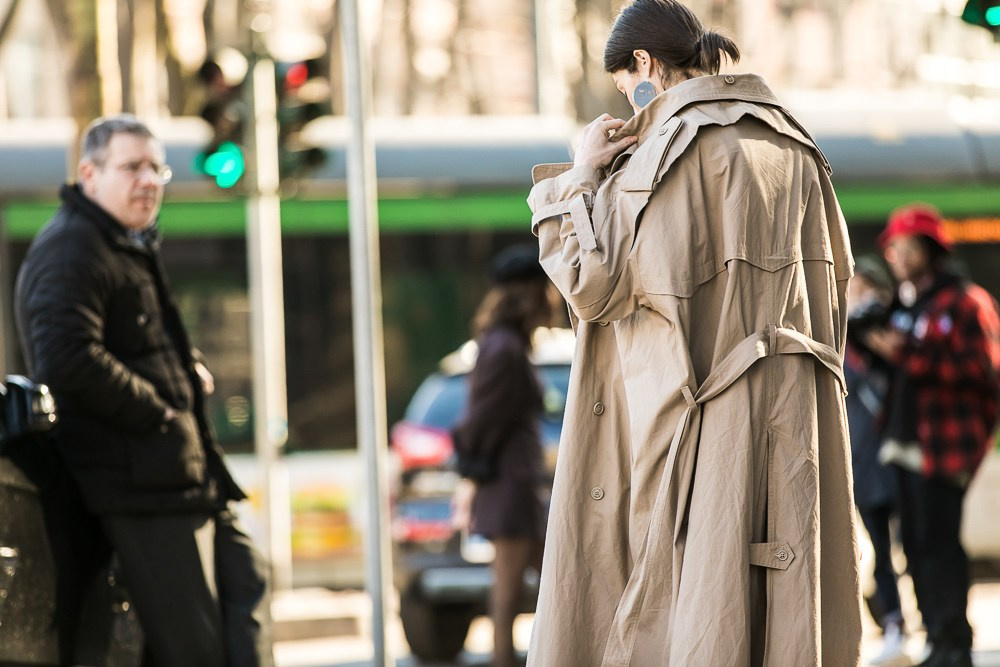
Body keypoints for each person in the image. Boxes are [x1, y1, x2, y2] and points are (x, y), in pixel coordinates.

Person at [525, 1, 862, 664]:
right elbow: (836, 286)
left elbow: (593, 286)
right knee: (780, 624)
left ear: (645, 64)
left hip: (685, 431)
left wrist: (579, 174)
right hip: (798, 429)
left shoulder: (664, 153)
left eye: (624, 82)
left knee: (689, 617)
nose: (627, 99)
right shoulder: (796, 146)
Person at [15, 114, 272, 666]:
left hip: (183, 476)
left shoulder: (123, 244)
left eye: (157, 168)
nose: (149, 180)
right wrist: (160, 410)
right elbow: (67, 360)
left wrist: (186, 369)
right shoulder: (71, 250)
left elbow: (137, 345)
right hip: (141, 485)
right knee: (195, 647)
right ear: (89, 174)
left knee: (245, 588)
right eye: (131, 167)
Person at [866, 204, 1000, 667]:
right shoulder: (907, 304)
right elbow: (902, 371)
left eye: (900, 247)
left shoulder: (966, 302)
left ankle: (954, 645)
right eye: (890, 249)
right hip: (904, 445)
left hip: (945, 450)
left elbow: (982, 370)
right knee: (918, 546)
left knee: (941, 545)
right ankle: (936, 642)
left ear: (926, 249)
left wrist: (910, 355)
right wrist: (883, 351)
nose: (893, 256)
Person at [451, 245, 554, 667]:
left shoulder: (508, 345)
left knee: (546, 577)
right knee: (510, 587)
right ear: (529, 292)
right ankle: (503, 662)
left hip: (517, 483)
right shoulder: (504, 349)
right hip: (510, 485)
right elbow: (480, 419)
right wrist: (471, 471)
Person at [845, 256, 910, 665]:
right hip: (861, 462)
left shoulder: (893, 336)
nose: (858, 300)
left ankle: (908, 622)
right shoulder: (840, 339)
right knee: (876, 553)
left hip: (900, 457)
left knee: (913, 548)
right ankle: (893, 623)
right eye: (851, 291)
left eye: (865, 290)